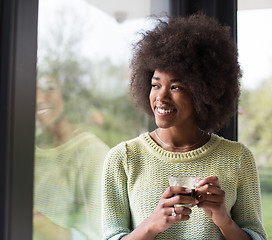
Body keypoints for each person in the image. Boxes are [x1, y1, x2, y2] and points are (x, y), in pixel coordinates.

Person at [102, 14, 267, 240]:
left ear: (203, 92)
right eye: (155, 84)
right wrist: (152, 225)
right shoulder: (124, 158)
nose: (161, 97)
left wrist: (223, 220)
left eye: (176, 87)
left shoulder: (238, 158)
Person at [34, 75, 110, 239]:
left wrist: (34, 220)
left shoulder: (93, 154)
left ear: (67, 96)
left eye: (49, 89)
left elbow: (93, 236)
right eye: (35, 89)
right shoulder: (23, 147)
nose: (39, 98)